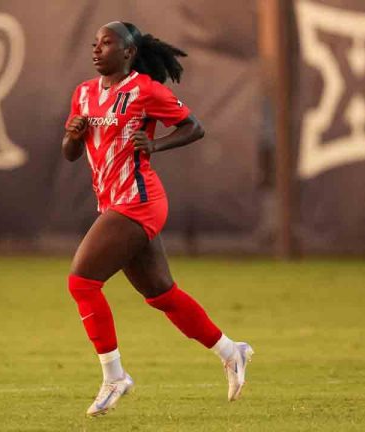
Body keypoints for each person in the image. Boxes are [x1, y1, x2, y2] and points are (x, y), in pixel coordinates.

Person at [62, 21, 253, 417]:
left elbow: (194, 127)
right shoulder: (83, 93)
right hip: (112, 203)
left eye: (107, 43)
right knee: (162, 294)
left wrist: (155, 144)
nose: (96, 49)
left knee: (82, 282)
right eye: (95, 43)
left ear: (129, 52)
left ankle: (114, 376)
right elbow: (70, 153)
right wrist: (73, 136)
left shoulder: (144, 90)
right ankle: (231, 351)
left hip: (138, 200)